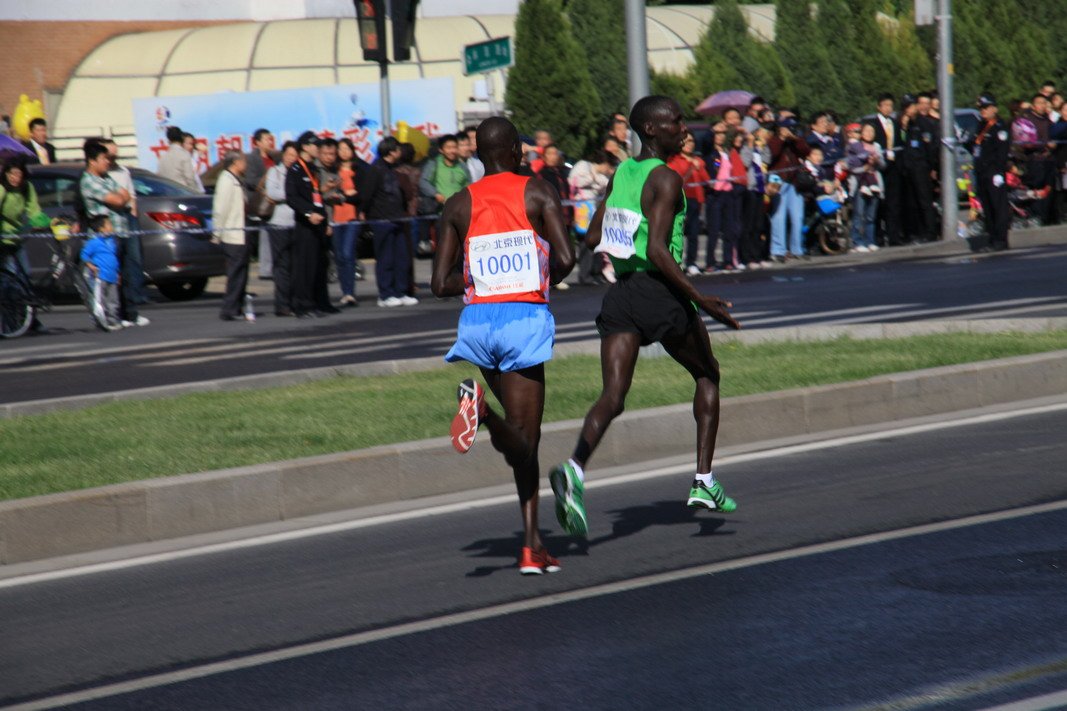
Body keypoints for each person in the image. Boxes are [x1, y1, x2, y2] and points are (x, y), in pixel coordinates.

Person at [548, 95, 742, 540]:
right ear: (652, 130)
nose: (684, 128)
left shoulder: (624, 173)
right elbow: (657, 249)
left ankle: (575, 468)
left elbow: (595, 233)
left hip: (622, 296)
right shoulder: (666, 179)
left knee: (613, 396)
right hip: (663, 293)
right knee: (708, 373)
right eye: (675, 122)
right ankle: (703, 481)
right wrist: (701, 299)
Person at [432, 116, 575, 575]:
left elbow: (439, 283)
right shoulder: (537, 191)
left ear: (477, 155)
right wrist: (535, 279)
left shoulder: (457, 203)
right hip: (522, 320)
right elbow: (568, 257)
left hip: (477, 323)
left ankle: (532, 546)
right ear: (516, 149)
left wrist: (478, 279)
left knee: (523, 441)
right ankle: (482, 410)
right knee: (525, 441)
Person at [81, 140, 148, 327]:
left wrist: (121, 197)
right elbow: (118, 200)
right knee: (106, 279)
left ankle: (128, 314)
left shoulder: (106, 178)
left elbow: (124, 193)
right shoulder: (89, 182)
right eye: (103, 159)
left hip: (121, 230)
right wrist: (120, 198)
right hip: (104, 237)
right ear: (92, 161)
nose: (107, 162)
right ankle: (108, 316)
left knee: (124, 274)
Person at [286, 131, 339, 318]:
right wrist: (308, 213)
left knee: (319, 265)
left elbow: (317, 198)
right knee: (304, 266)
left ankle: (320, 301)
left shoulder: (313, 169)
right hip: (305, 225)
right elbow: (292, 197)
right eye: (315, 145)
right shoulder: (295, 169)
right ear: (305, 147)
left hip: (318, 224)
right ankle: (302, 305)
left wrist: (324, 219)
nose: (318, 148)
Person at [363, 136, 418, 307]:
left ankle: (401, 291)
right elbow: (367, 195)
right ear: (391, 151)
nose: (399, 152)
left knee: (401, 257)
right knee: (385, 258)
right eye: (397, 149)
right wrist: (365, 215)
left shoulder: (395, 169)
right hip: (382, 220)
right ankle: (386, 294)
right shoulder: (375, 169)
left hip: (398, 218)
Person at [101, 138, 146, 304]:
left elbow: (130, 196)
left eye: (115, 155)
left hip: (127, 216)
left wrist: (133, 214)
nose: (113, 159)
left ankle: (136, 294)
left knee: (134, 258)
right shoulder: (102, 175)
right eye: (110, 155)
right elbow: (117, 198)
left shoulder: (123, 171)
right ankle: (117, 298)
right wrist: (122, 198)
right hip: (111, 219)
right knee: (114, 259)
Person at [969, 93, 1011, 252]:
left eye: (986, 108)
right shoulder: (981, 125)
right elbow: (975, 146)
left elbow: (1001, 152)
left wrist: (998, 173)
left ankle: (1001, 239)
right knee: (987, 207)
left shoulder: (999, 127)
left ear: (994, 108)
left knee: (998, 206)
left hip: (994, 173)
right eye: (981, 108)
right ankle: (992, 238)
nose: (983, 111)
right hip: (982, 172)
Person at [213, 150, 251, 321]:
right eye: (244, 160)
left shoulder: (237, 180)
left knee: (242, 272)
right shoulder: (226, 180)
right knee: (235, 273)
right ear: (235, 162)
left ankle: (237, 307)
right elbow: (220, 209)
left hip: (242, 232)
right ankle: (229, 309)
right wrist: (217, 233)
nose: (246, 164)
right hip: (232, 234)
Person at [569, 149, 615, 285]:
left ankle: (595, 272)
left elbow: (606, 185)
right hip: (582, 210)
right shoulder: (583, 166)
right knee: (585, 242)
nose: (609, 169)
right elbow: (573, 181)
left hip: (594, 210)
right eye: (609, 166)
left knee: (597, 241)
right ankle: (585, 275)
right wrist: (593, 179)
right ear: (604, 163)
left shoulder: (601, 176)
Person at [767, 115, 811, 260]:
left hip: (794, 182)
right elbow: (772, 154)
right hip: (778, 181)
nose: (788, 130)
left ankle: (797, 249)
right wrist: (780, 138)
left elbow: (805, 151)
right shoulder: (773, 139)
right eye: (786, 127)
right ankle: (777, 250)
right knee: (778, 217)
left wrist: (794, 138)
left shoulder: (795, 141)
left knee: (797, 217)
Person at [667, 132, 711, 275]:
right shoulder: (674, 160)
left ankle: (691, 262)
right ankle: (675, 262)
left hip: (696, 199)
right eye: (687, 141)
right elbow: (677, 177)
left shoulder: (698, 160)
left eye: (692, 141)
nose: (690, 143)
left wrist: (699, 167)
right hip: (681, 199)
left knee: (694, 233)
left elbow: (706, 180)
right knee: (677, 233)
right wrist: (691, 166)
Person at [329, 138, 366, 307]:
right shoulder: (332, 170)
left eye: (347, 148)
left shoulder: (358, 169)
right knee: (339, 256)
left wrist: (348, 196)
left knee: (347, 253)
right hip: (336, 217)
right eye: (341, 149)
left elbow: (362, 194)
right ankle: (344, 291)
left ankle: (350, 292)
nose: (344, 152)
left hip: (352, 217)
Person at [898, 93, 939, 243]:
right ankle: (916, 232)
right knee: (912, 203)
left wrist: (932, 167)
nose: (907, 110)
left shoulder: (924, 124)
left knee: (924, 201)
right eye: (905, 108)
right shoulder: (906, 124)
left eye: (909, 106)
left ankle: (930, 232)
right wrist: (903, 127)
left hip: (921, 167)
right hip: (908, 168)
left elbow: (931, 148)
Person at [265, 140, 298, 316]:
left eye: (295, 155)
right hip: (278, 224)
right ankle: (282, 304)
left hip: (296, 224)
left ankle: (293, 301)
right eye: (289, 155)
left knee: (294, 265)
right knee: (281, 266)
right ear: (283, 155)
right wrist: (292, 194)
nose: (292, 158)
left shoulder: (299, 173)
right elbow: (272, 193)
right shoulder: (275, 171)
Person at [847, 123, 885, 253]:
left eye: (872, 131)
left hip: (875, 183)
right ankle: (857, 241)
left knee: (871, 216)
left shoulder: (876, 147)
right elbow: (850, 166)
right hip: (859, 183)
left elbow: (883, 165)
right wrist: (864, 168)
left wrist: (877, 160)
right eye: (866, 131)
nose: (869, 133)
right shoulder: (854, 147)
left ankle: (870, 241)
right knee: (859, 214)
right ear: (861, 133)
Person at [244, 128, 277, 279]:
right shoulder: (252, 158)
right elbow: (250, 181)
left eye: (270, 139)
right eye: (266, 139)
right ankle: (266, 269)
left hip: (276, 201)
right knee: (265, 235)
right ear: (257, 142)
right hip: (261, 201)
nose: (269, 142)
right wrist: (268, 182)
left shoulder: (275, 157)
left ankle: (275, 266)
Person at [80, 215, 122, 330]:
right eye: (109, 224)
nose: (111, 226)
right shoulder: (94, 242)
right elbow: (84, 255)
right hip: (99, 276)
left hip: (112, 275)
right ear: (101, 228)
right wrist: (91, 266)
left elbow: (114, 258)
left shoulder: (112, 241)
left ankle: (113, 320)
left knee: (113, 300)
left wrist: (118, 273)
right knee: (100, 300)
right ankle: (101, 322)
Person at [157, 126, 200, 192]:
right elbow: (190, 178)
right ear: (181, 138)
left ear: (169, 140)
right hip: (182, 193)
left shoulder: (163, 157)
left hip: (167, 194)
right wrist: (196, 192)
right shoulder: (184, 154)